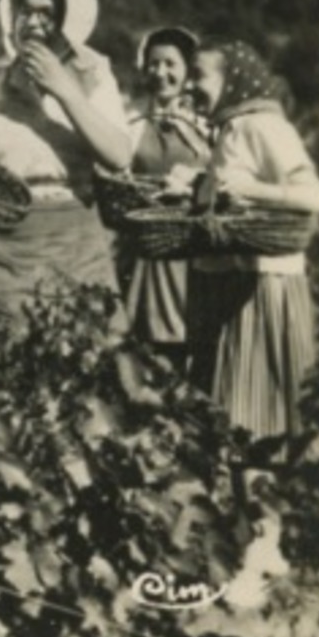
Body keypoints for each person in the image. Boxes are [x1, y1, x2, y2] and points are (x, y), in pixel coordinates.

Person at [0, 0, 132, 333]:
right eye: (26, 11)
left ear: (68, 23)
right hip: (1, 249)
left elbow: (118, 156)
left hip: (77, 246)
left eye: (48, 14)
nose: (35, 23)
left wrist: (63, 88)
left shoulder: (93, 77)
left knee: (89, 351)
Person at [184, 38, 319, 441]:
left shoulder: (263, 126)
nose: (187, 86)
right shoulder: (231, 126)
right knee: (233, 414)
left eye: (198, 75)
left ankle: (262, 497)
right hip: (233, 285)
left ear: (233, 79)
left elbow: (317, 197)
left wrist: (252, 191)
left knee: (255, 418)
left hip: (265, 289)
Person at [115, 26, 212, 394]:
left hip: (192, 247)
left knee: (194, 339)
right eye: (153, 64)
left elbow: (226, 172)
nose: (161, 73)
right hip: (147, 248)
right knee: (145, 342)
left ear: (188, 71)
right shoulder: (133, 119)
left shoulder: (205, 122)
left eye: (170, 64)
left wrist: (191, 183)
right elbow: (116, 167)